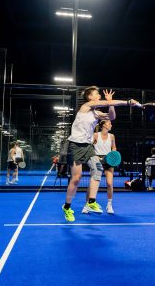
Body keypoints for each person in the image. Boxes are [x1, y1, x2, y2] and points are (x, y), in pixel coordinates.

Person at [61, 87, 142, 222]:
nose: (99, 95)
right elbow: (105, 103)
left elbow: (112, 117)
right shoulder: (86, 106)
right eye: (97, 93)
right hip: (75, 146)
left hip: (87, 146)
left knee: (97, 169)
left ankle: (91, 201)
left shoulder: (96, 113)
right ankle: (67, 207)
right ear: (90, 97)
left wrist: (111, 103)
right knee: (76, 179)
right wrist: (127, 102)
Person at [90, 119, 117, 214]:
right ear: (104, 125)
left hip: (109, 160)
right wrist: (95, 157)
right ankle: (88, 204)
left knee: (109, 183)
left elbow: (113, 147)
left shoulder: (112, 136)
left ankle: (109, 205)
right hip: (97, 160)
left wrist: (113, 154)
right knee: (93, 183)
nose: (111, 125)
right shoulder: (95, 135)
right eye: (109, 123)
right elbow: (90, 147)